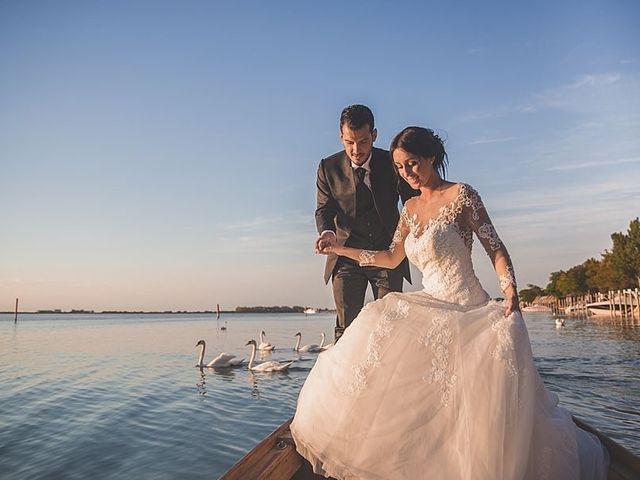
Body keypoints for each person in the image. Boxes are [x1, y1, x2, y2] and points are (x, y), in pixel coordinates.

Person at [292, 127, 608, 479]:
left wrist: (511, 292)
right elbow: (389, 257)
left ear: (431, 158)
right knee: (380, 319)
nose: (407, 173)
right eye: (399, 167)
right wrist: (339, 249)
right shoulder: (409, 208)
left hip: (468, 305)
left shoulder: (462, 196)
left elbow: (495, 247)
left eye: (412, 163)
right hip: (431, 300)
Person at [315, 104, 417, 341]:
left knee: (390, 326)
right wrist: (327, 232)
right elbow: (324, 208)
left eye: (363, 141)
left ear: (374, 135)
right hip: (345, 257)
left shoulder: (392, 162)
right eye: (349, 142)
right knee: (346, 329)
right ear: (341, 136)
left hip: (388, 255)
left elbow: (411, 201)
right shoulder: (327, 167)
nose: (356, 149)